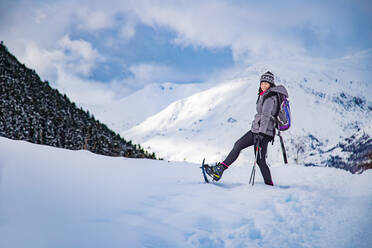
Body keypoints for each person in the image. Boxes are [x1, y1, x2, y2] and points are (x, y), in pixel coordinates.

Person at [205, 71, 288, 186]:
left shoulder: (270, 98)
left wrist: (262, 134)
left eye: (266, 83)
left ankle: (269, 185)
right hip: (256, 130)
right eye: (262, 83)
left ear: (271, 84)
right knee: (238, 145)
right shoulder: (263, 95)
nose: (263, 85)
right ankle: (220, 170)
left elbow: (265, 116)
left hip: (263, 133)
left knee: (260, 161)